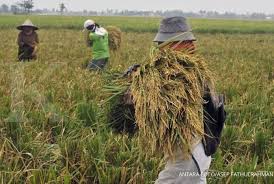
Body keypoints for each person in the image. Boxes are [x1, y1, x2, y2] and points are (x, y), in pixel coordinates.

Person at [123, 17, 226, 184]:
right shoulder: (188, 70)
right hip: (197, 155)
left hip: (188, 158)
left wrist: (137, 82)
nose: (159, 49)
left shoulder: (183, 74)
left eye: (163, 44)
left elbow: (152, 103)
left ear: (176, 44)